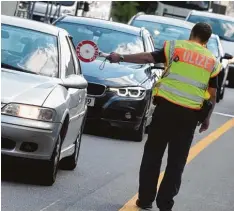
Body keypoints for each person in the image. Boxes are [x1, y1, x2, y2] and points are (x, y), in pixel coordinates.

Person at [106, 22, 222, 211]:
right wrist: (207, 117)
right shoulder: (212, 62)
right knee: (176, 162)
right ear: (207, 41)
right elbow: (213, 93)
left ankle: (145, 200)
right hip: (189, 116)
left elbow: (148, 57)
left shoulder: (175, 47)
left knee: (153, 154)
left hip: (165, 109)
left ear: (191, 33)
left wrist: (121, 57)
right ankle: (165, 204)